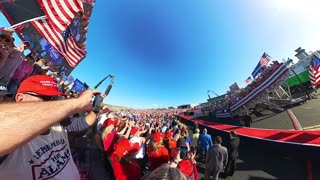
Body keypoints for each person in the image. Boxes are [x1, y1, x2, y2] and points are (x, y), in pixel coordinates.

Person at [0, 75, 103, 179]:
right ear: (20, 99)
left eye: (55, 98)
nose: (52, 103)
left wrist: (96, 110)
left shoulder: (58, 122)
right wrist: (78, 102)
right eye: (45, 98)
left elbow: (82, 123)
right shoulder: (12, 132)